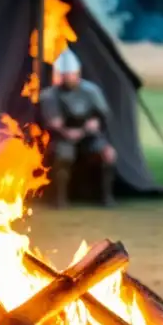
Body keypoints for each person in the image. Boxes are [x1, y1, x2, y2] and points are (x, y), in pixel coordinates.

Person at [39, 48, 117, 207]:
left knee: (107, 154)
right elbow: (54, 123)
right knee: (63, 156)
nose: (67, 78)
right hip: (62, 137)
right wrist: (66, 131)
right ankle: (59, 199)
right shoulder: (49, 96)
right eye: (64, 75)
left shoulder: (91, 91)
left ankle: (106, 197)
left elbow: (103, 115)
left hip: (89, 136)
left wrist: (94, 124)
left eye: (70, 74)